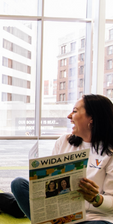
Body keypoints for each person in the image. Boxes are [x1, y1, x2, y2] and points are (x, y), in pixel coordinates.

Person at [11, 94, 113, 223]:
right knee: (18, 184)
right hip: (58, 211)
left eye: (75, 111)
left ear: (91, 118)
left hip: (93, 218)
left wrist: (96, 198)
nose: (69, 116)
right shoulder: (64, 141)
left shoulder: (110, 153)